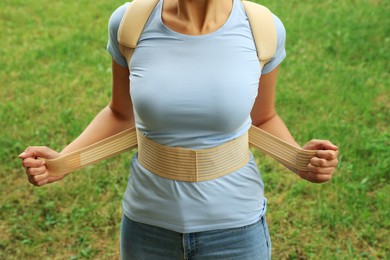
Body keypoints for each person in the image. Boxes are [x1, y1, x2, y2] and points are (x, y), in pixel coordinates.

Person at [19, 0, 339, 259]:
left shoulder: (263, 29)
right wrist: (63, 160)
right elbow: (120, 113)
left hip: (235, 231)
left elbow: (263, 118)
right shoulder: (130, 23)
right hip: (147, 227)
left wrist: (300, 160)